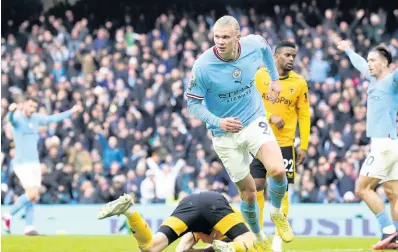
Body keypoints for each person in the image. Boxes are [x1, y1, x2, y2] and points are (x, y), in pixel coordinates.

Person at [185, 15, 293, 250]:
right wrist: (219, 122)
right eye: (216, 37)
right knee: (249, 193)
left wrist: (274, 79)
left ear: (238, 36)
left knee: (277, 169)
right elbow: (192, 104)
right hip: (224, 135)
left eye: (225, 37)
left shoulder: (253, 44)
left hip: (253, 120)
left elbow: (266, 49)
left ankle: (276, 213)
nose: (220, 42)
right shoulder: (203, 66)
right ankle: (258, 236)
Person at [337, 40, 398, 250]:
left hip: (383, 145)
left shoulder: (392, 81)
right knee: (392, 192)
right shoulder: (373, 79)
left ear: (384, 63)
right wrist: (347, 49)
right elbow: (359, 63)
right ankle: (396, 238)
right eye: (369, 60)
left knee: (362, 189)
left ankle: (389, 231)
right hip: (392, 144)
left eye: (373, 61)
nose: (369, 64)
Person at [251, 40, 310, 251]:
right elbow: (250, 104)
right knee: (255, 188)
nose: (291, 59)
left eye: (294, 55)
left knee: (282, 192)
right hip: (258, 139)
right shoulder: (260, 76)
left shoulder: (300, 82)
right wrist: (270, 116)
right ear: (275, 56)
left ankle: (277, 242)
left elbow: (304, 115)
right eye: (287, 55)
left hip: (285, 144)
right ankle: (257, 237)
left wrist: (303, 145)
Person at [2, 96, 83, 235]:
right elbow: (11, 120)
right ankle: (8, 215)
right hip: (22, 163)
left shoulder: (36, 118)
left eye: (34, 107)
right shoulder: (17, 117)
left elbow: (52, 118)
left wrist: (71, 111)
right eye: (30, 106)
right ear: (24, 105)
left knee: (33, 196)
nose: (32, 109)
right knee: (32, 193)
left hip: (34, 162)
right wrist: (10, 111)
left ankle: (28, 228)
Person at [97, 192, 269, 252]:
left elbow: (182, 250)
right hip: (215, 203)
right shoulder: (234, 218)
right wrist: (210, 250)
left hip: (189, 204)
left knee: (150, 247)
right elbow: (255, 244)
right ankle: (231, 248)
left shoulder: (195, 232)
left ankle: (130, 211)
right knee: (251, 243)